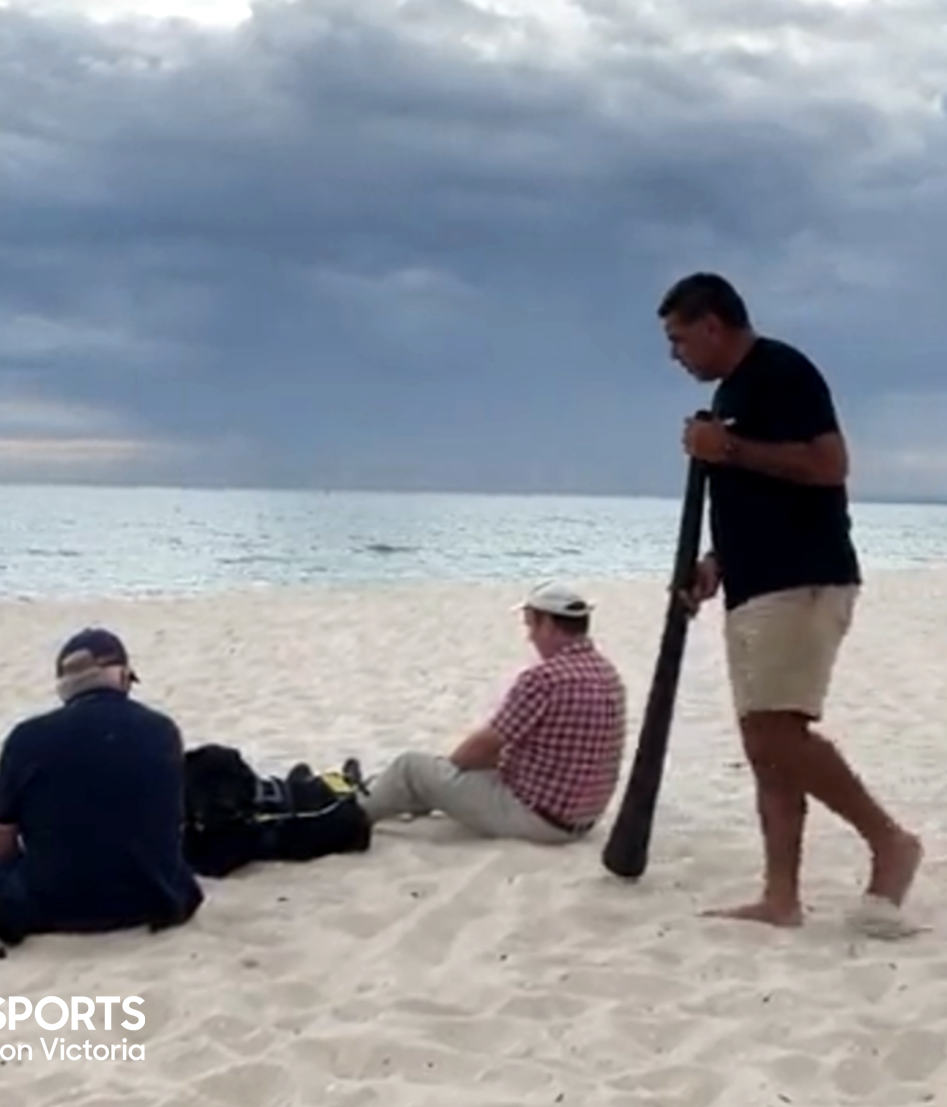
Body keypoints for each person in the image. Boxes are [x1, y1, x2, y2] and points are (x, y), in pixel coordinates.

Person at [658, 270, 922, 933]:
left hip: (803, 580)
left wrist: (730, 447)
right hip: (755, 582)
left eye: (679, 339)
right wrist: (718, 562)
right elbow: (759, 503)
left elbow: (830, 466)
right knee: (762, 743)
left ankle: (890, 842)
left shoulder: (782, 370)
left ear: (713, 324)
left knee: (780, 733)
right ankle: (781, 897)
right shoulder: (732, 389)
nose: (675, 355)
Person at [0, 627, 204, 937]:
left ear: (64, 687)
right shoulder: (163, 730)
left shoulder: (28, 738)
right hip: (153, 900)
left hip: (53, 908)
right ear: (122, 676)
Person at [353, 582, 626, 843]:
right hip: (581, 818)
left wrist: (458, 768)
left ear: (549, 625)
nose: (529, 636)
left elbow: (469, 755)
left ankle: (350, 816)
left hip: (539, 819)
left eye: (531, 625)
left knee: (410, 767)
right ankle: (390, 796)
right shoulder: (607, 673)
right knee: (445, 773)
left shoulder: (544, 678)